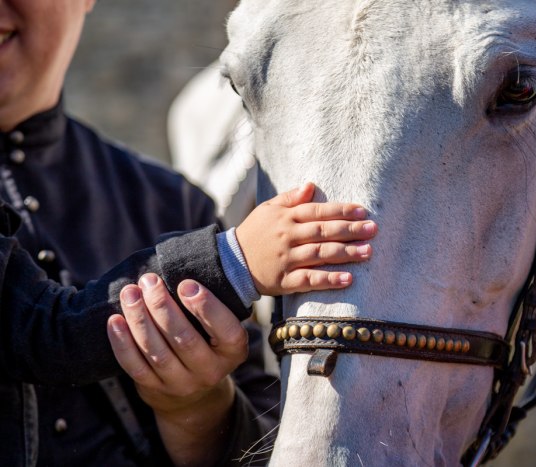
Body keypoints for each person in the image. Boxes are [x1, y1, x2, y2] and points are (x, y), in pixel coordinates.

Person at [0, 0, 377, 465]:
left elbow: (271, 446)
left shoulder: (173, 204)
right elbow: (46, 329)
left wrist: (197, 411)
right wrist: (233, 261)